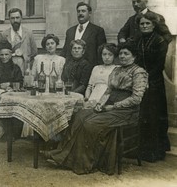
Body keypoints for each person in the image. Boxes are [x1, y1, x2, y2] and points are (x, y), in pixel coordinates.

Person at [43, 41, 148, 175]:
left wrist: (113, 106)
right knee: (80, 116)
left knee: (90, 123)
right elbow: (108, 91)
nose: (122, 56)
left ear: (134, 56)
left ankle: (85, 163)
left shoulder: (139, 73)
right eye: (121, 53)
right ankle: (63, 154)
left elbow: (136, 98)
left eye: (126, 54)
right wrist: (100, 104)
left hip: (126, 111)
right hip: (109, 106)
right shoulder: (117, 70)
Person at [135, 12, 171, 162]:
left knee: (154, 115)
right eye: (142, 24)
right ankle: (144, 149)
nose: (144, 26)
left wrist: (147, 78)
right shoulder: (139, 40)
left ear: (154, 25)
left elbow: (159, 64)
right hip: (141, 81)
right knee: (143, 115)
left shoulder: (160, 41)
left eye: (147, 24)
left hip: (154, 82)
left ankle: (157, 151)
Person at [0, 40, 24, 139]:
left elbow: (20, 82)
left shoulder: (15, 68)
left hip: (12, 94)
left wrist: (10, 84)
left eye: (6, 54)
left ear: (11, 54)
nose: (4, 57)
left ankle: (13, 133)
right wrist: (0, 86)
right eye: (1, 54)